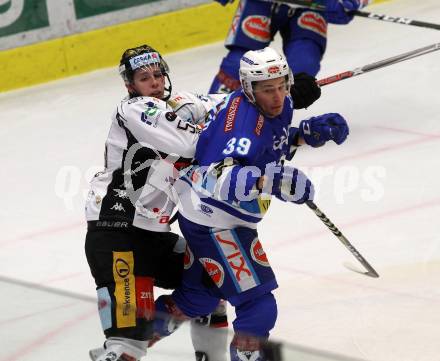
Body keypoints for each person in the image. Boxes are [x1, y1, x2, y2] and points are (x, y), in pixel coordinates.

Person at [151, 47, 349, 361]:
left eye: (282, 86)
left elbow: (270, 143)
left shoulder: (274, 103)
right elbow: (217, 176)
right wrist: (269, 182)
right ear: (248, 89)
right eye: (268, 90)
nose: (277, 96)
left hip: (204, 214)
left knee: (198, 297)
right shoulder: (240, 127)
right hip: (215, 221)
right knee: (257, 306)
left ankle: (130, 338)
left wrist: (304, 136)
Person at [85, 44, 230, 361]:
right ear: (130, 86)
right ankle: (132, 337)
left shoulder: (183, 102)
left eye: (158, 73)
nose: (154, 81)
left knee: (215, 278)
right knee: (127, 348)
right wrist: (207, 123)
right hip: (116, 236)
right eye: (144, 77)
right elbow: (191, 144)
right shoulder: (135, 110)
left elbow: (233, 106)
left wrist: (280, 93)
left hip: (152, 235)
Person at [209, 0, 371, 93]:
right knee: (239, 62)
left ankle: (274, 118)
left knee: (304, 65)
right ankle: (214, 117)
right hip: (262, 3)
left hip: (311, 6)